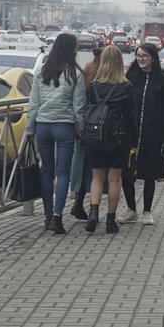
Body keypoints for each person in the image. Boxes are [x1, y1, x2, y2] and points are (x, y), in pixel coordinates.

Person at [25, 32, 85, 235]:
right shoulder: (75, 74)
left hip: (43, 126)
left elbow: (33, 104)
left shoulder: (42, 72)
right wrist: (81, 127)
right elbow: (79, 107)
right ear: (71, 49)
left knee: (46, 172)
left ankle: (47, 216)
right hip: (64, 127)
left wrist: (29, 129)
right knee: (62, 174)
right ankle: (58, 218)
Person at [83, 45, 136, 234]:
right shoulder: (126, 87)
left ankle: (93, 212)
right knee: (114, 179)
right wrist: (134, 142)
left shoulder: (94, 86)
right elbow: (132, 116)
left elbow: (88, 109)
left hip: (96, 135)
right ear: (120, 63)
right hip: (119, 138)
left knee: (97, 177)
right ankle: (110, 221)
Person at [121, 42, 164, 226]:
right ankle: (131, 209)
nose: (141, 59)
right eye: (138, 56)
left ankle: (147, 210)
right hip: (131, 135)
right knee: (127, 173)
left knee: (150, 174)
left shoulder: (163, 79)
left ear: (153, 58)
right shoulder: (131, 77)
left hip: (154, 134)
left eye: (144, 56)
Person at [69, 48, 102, 221]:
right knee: (96, 170)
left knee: (80, 165)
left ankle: (77, 202)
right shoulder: (107, 73)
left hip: (83, 125)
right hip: (100, 127)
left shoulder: (86, 69)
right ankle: (92, 208)